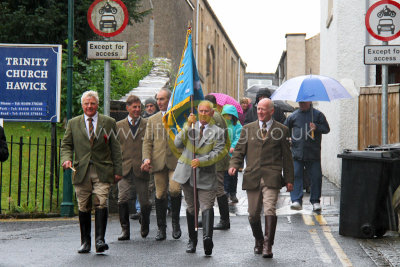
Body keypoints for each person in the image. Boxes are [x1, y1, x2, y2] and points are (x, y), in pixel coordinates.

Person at [228, 98, 294, 258]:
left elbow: (287, 157)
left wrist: (289, 179)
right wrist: (234, 164)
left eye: (263, 109)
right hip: (253, 175)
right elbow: (239, 150)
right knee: (252, 213)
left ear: (271, 111)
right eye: (258, 109)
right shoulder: (247, 129)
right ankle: (258, 239)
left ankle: (267, 245)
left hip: (272, 176)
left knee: (270, 208)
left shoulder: (282, 130)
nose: (260, 112)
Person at [60, 90, 122, 254]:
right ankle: (85, 242)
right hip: (81, 170)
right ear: (82, 105)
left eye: (92, 103)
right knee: (84, 205)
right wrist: (66, 159)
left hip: (103, 170)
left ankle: (100, 240)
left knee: (101, 201)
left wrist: (118, 170)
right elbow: (66, 145)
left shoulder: (108, 122)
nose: (89, 106)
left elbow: (115, 148)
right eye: (87, 104)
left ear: (97, 105)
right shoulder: (73, 123)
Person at [173, 100, 226, 256]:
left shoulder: (218, 132)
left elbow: (217, 153)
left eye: (206, 111)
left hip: (206, 174)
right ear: (197, 112)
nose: (203, 114)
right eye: (200, 111)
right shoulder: (191, 126)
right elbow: (177, 143)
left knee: (206, 206)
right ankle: (192, 240)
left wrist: (201, 161)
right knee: (191, 208)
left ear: (211, 113)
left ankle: (207, 239)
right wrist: (187, 127)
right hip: (187, 173)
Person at [141, 88, 182, 241]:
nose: (159, 102)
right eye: (157, 99)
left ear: (169, 100)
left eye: (162, 99)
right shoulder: (152, 120)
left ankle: (176, 224)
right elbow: (147, 141)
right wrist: (146, 158)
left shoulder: (178, 117)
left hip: (175, 161)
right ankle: (161, 228)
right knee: (160, 194)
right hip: (158, 162)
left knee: (175, 189)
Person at [116, 95, 151, 240]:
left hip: (141, 168)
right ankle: (125, 230)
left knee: (145, 202)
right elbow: (115, 148)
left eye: (139, 107)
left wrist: (148, 162)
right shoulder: (118, 126)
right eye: (134, 107)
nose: (137, 110)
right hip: (124, 169)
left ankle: (145, 223)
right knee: (122, 199)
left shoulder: (147, 124)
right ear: (127, 108)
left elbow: (151, 145)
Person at [284, 101, 330, 211]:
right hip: (297, 152)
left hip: (313, 153)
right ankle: (296, 200)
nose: (301, 104)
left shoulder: (318, 115)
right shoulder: (293, 116)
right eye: (300, 102)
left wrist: (317, 127)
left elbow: (327, 129)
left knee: (316, 177)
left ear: (309, 102)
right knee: (296, 176)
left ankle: (315, 201)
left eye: (304, 102)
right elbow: (284, 129)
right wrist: (288, 138)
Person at [204, 94, 231, 230]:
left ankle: (225, 220)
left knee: (218, 189)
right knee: (211, 188)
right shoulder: (218, 115)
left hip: (216, 159)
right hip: (219, 157)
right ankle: (207, 218)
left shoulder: (213, 117)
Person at [221, 104, 242, 203]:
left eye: (229, 115)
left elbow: (239, 137)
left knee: (233, 175)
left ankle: (233, 193)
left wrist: (233, 146)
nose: (227, 117)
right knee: (225, 174)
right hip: (223, 154)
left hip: (233, 155)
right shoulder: (222, 124)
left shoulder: (237, 125)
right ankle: (226, 192)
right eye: (225, 115)